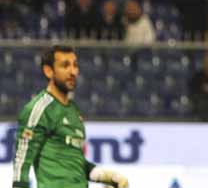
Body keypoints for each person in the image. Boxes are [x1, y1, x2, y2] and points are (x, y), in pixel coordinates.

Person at [11, 45, 129, 188]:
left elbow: (75, 162)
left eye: (75, 65)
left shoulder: (74, 111)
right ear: (49, 71)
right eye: (65, 65)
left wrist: (106, 176)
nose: (73, 71)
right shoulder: (39, 108)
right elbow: (21, 160)